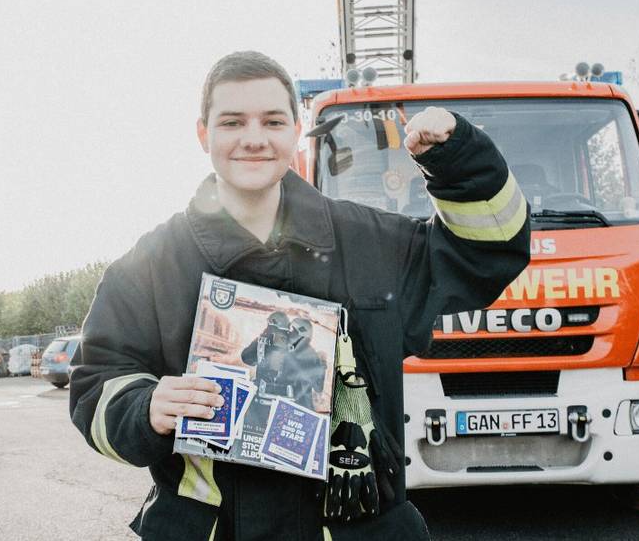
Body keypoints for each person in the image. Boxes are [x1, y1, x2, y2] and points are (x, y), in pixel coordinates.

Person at [69, 50, 530, 540]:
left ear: (295, 131)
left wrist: (457, 159)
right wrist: (145, 407)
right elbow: (96, 382)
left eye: (272, 121)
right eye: (232, 122)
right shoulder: (149, 267)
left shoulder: (374, 243)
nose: (253, 138)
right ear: (203, 134)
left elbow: (488, 254)